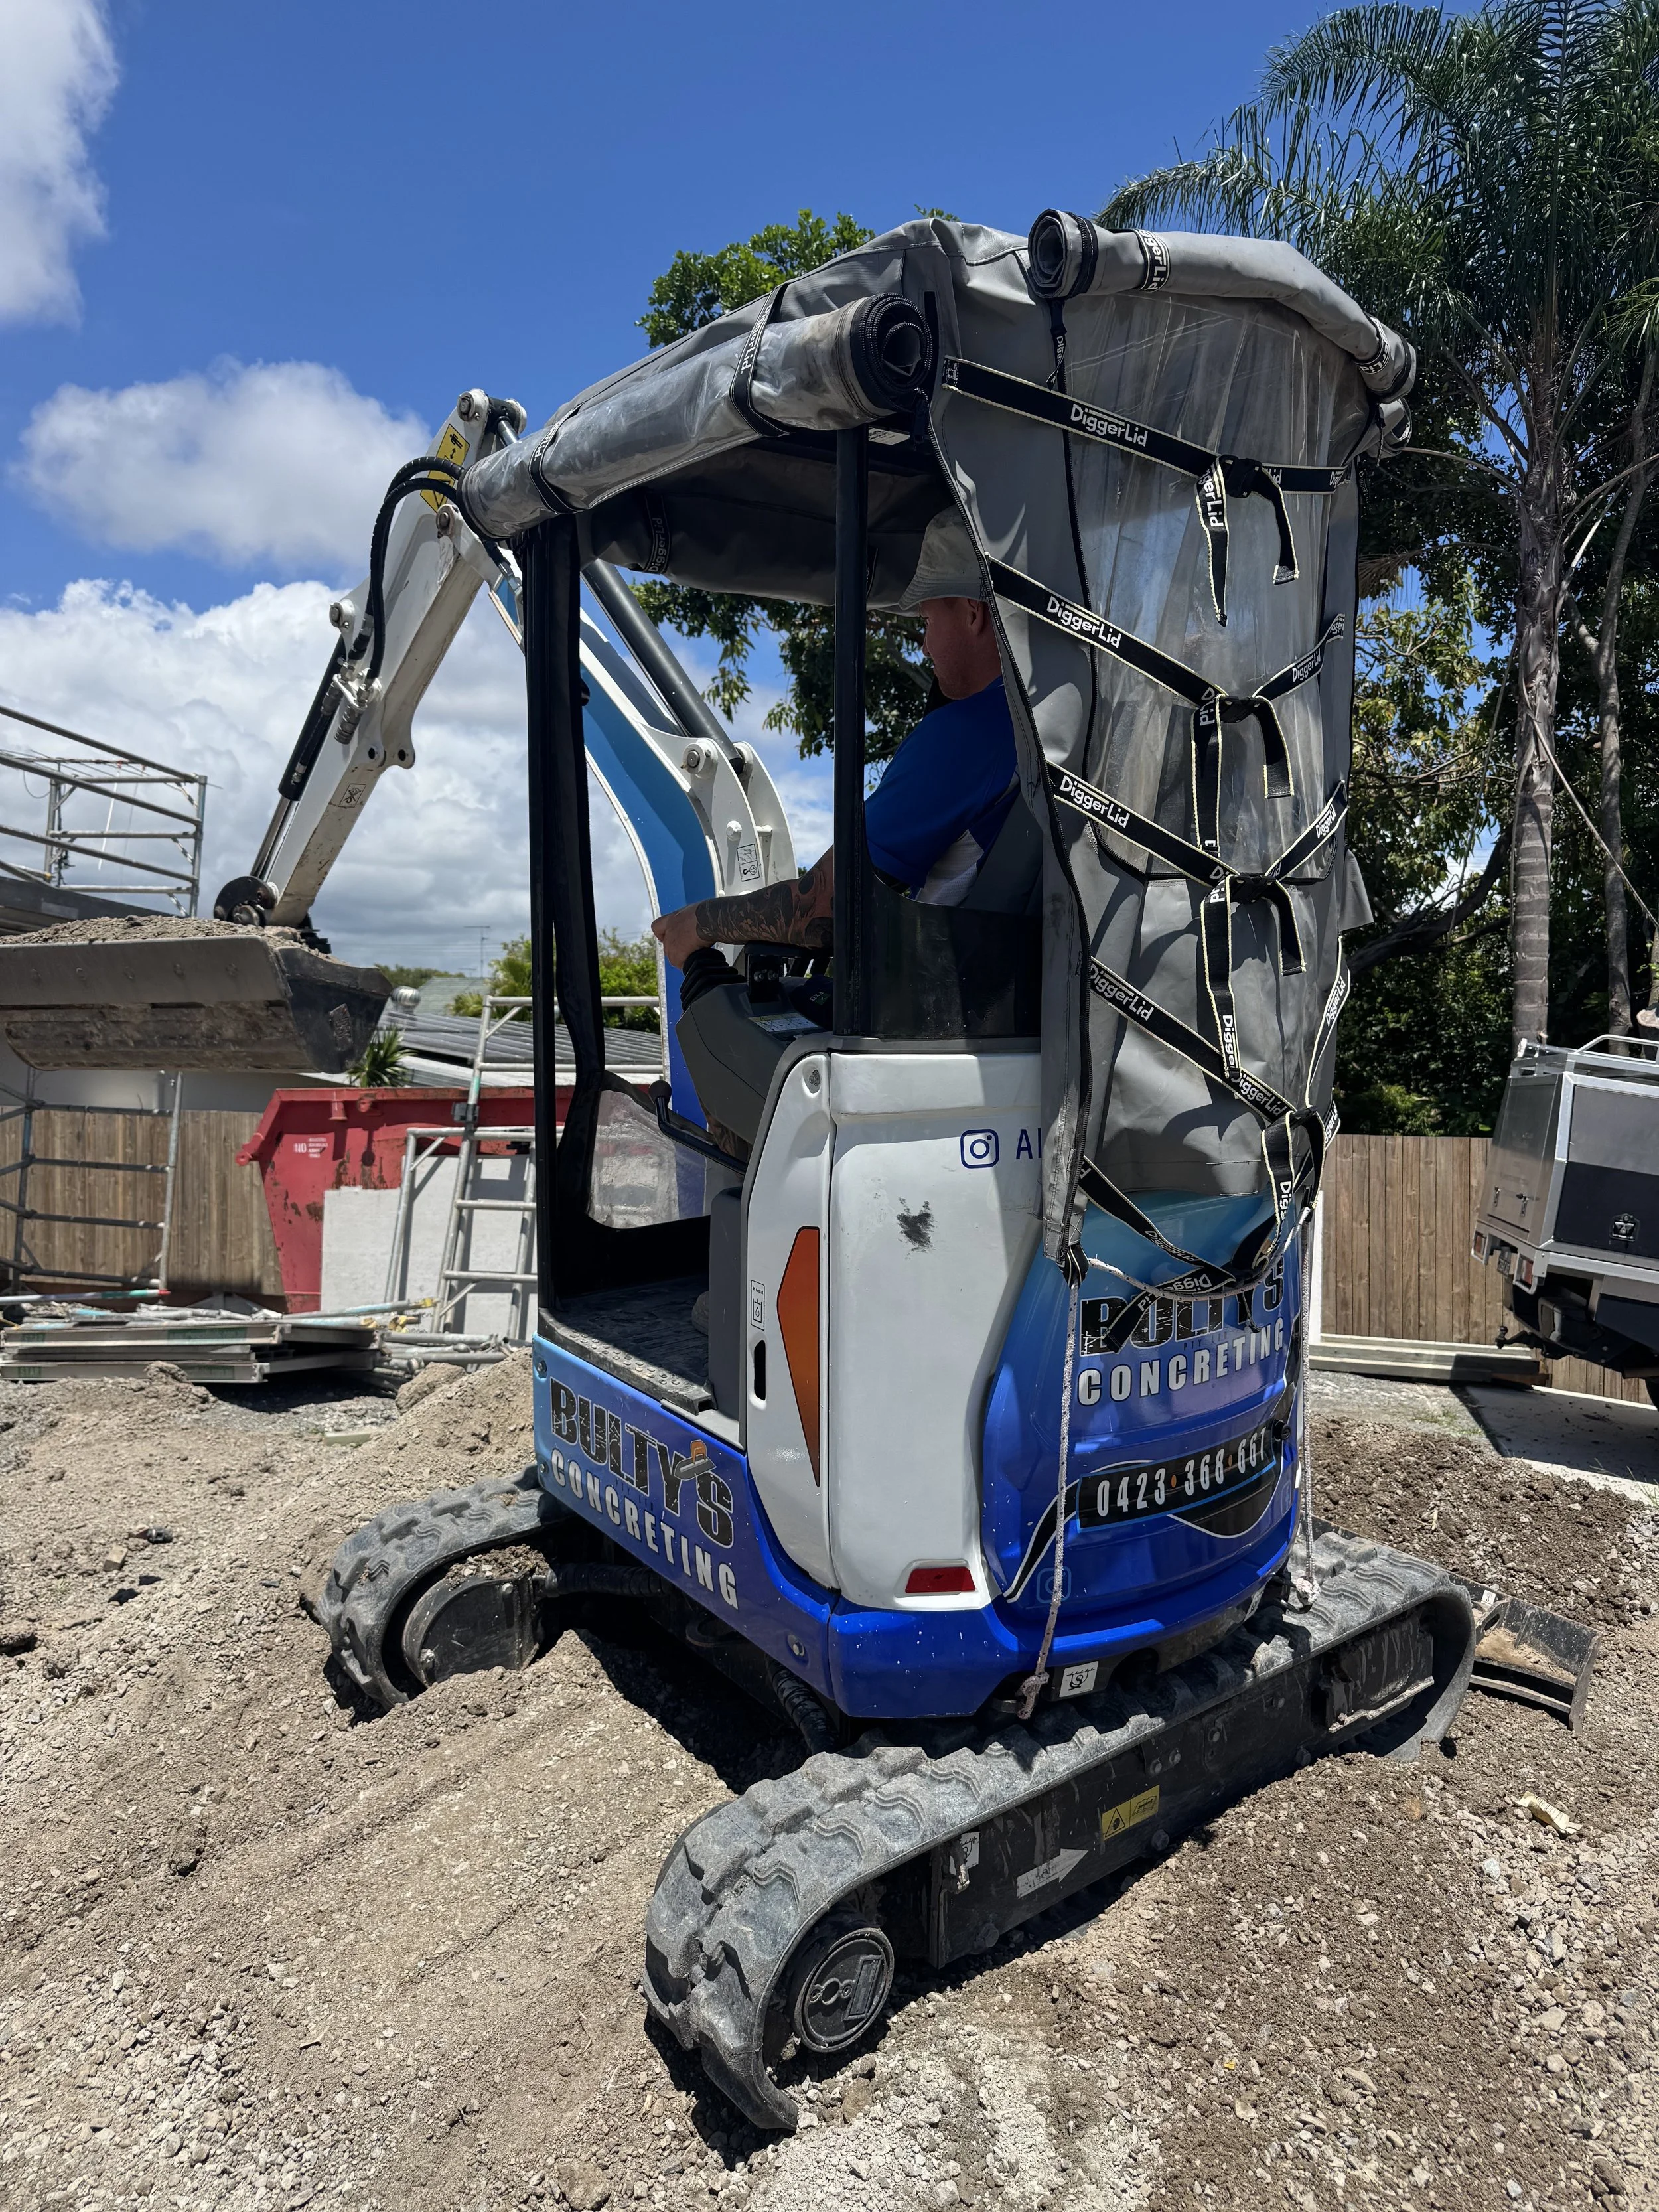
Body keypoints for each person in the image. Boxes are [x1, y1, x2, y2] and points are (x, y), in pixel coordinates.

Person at [651, 510, 1017, 970]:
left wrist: (699, 922)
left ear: (972, 612)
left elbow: (827, 907)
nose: (924, 645)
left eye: (927, 619)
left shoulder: (970, 735)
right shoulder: (1049, 732)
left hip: (936, 1011)